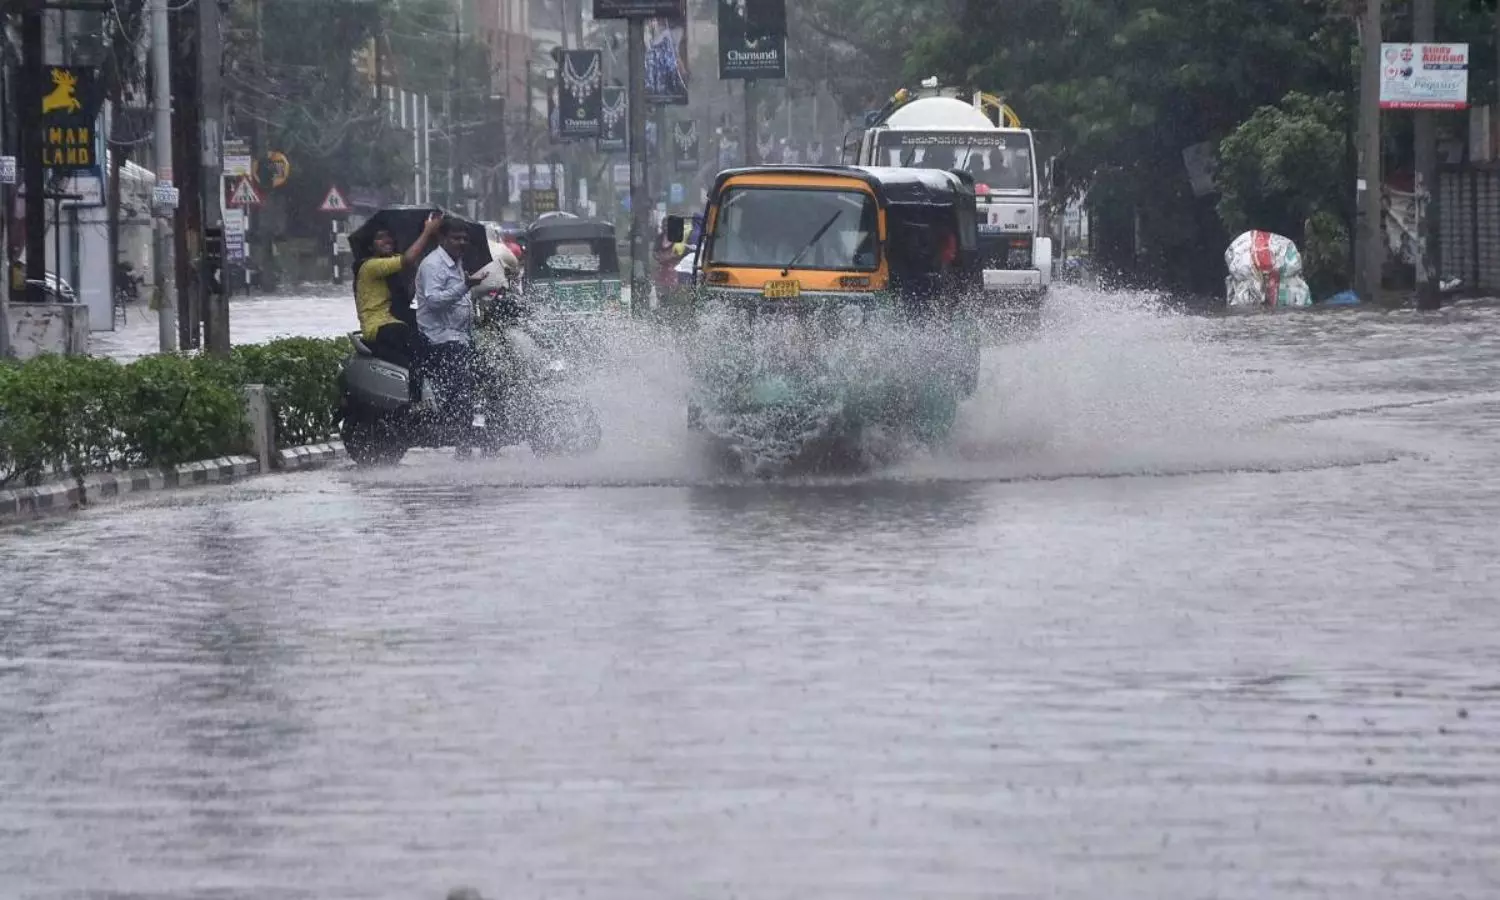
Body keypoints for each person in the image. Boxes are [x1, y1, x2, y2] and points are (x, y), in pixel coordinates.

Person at [415, 215, 488, 454]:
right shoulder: (433, 265)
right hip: (440, 338)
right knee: (462, 387)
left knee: (489, 374)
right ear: (443, 238)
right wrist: (465, 286)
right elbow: (434, 301)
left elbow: (461, 297)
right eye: (456, 238)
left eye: (465, 238)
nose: (461, 242)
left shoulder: (457, 262)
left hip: (460, 336)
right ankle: (462, 441)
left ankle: (485, 433)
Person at [354, 212, 441, 375]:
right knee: (417, 352)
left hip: (395, 321)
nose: (387, 240)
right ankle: (417, 397)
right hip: (380, 326)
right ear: (370, 246)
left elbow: (413, 261)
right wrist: (427, 231)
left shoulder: (393, 262)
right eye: (380, 237)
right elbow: (407, 259)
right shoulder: (370, 266)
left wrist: (433, 238)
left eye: (389, 236)